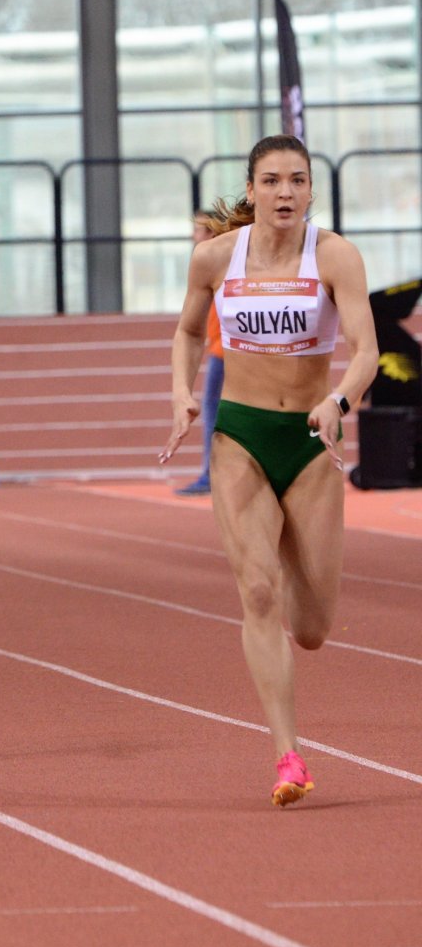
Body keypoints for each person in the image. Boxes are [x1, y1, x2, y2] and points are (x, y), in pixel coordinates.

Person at [161, 135, 376, 806]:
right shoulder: (217, 257)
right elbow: (189, 331)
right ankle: (287, 755)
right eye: (272, 180)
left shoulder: (335, 255)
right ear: (252, 189)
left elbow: (367, 348)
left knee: (310, 628)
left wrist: (338, 401)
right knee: (255, 594)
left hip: (309, 441)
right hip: (243, 436)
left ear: (312, 190)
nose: (286, 191)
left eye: (298, 180)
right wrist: (182, 390)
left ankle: (283, 549)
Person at [176, 211, 224, 497]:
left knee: (214, 412)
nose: (196, 236)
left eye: (200, 230)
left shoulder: (218, 262)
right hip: (220, 348)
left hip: (226, 351)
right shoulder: (211, 264)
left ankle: (211, 474)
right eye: (195, 230)